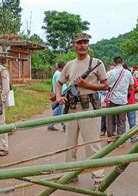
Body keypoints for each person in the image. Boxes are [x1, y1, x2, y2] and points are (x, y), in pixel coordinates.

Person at [56, 33, 108, 187]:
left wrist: (87, 85)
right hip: (72, 108)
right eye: (79, 43)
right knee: (69, 145)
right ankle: (70, 174)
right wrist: (59, 96)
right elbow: (59, 83)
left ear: (88, 45)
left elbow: (105, 85)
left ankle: (98, 179)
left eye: (85, 42)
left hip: (90, 108)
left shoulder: (97, 63)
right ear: (74, 45)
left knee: (92, 145)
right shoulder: (70, 65)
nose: (82, 45)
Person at [105, 56, 134, 139]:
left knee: (110, 120)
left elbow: (105, 85)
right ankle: (119, 140)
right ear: (122, 62)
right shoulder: (128, 73)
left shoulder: (110, 73)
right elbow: (132, 87)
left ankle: (110, 138)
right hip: (123, 100)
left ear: (114, 63)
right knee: (121, 121)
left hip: (111, 100)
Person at [48, 61, 67, 132]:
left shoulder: (56, 73)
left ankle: (51, 125)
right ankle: (64, 125)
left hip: (59, 95)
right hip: (61, 95)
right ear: (63, 67)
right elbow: (59, 85)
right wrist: (59, 95)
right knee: (62, 111)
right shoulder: (59, 74)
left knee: (58, 111)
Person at [125, 69, 138, 143]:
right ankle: (133, 137)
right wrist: (133, 93)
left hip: (122, 103)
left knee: (121, 121)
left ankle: (122, 139)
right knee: (132, 121)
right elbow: (137, 89)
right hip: (131, 102)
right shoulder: (132, 78)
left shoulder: (122, 78)